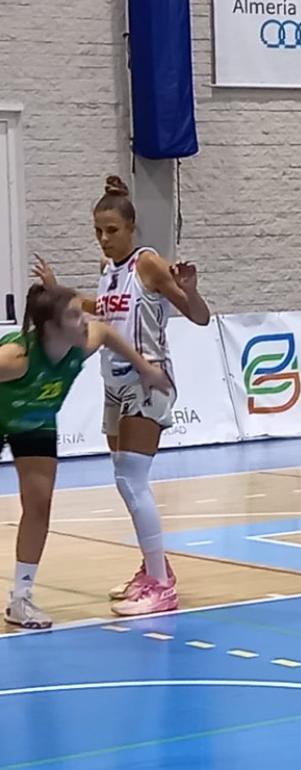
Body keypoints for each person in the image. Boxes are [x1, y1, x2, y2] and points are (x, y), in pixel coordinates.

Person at [33, 175, 211, 616]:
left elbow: (200, 317)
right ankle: (154, 565)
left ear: (131, 228)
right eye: (97, 231)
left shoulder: (147, 264)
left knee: (132, 479)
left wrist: (190, 289)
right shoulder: (108, 270)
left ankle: (161, 585)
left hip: (147, 380)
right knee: (124, 479)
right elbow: (102, 308)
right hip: (113, 382)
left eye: (111, 230)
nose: (104, 238)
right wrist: (58, 290)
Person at [3, 284, 171, 629]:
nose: (85, 320)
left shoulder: (80, 345)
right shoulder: (16, 359)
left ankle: (21, 599)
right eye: (74, 315)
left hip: (36, 421)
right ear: (50, 327)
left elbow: (107, 332)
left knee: (39, 506)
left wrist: (145, 369)